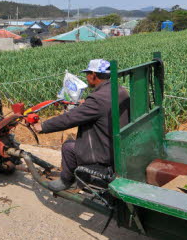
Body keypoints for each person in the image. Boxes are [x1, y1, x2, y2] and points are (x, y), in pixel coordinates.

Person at [33, 59, 130, 192]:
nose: (86, 77)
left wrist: (43, 126)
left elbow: (69, 118)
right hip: (118, 145)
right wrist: (87, 104)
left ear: (94, 75)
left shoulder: (97, 99)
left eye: (87, 74)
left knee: (68, 147)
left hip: (106, 153)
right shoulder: (119, 90)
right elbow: (102, 108)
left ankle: (67, 181)